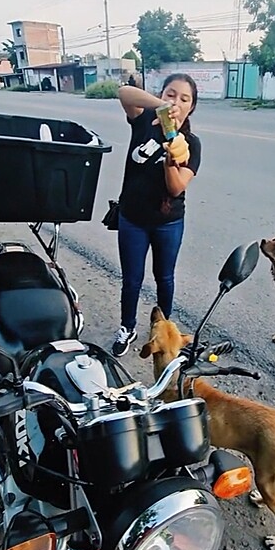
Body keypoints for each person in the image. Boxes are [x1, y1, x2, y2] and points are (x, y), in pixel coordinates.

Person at [112, 73, 201, 356]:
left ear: (191, 107)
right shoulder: (143, 121)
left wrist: (170, 163)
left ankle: (164, 331)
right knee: (132, 279)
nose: (176, 102)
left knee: (164, 278)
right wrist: (160, 107)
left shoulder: (191, 144)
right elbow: (124, 93)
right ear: (161, 95)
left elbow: (175, 189)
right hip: (133, 219)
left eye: (184, 99)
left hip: (168, 222)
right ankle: (127, 326)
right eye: (170, 94)